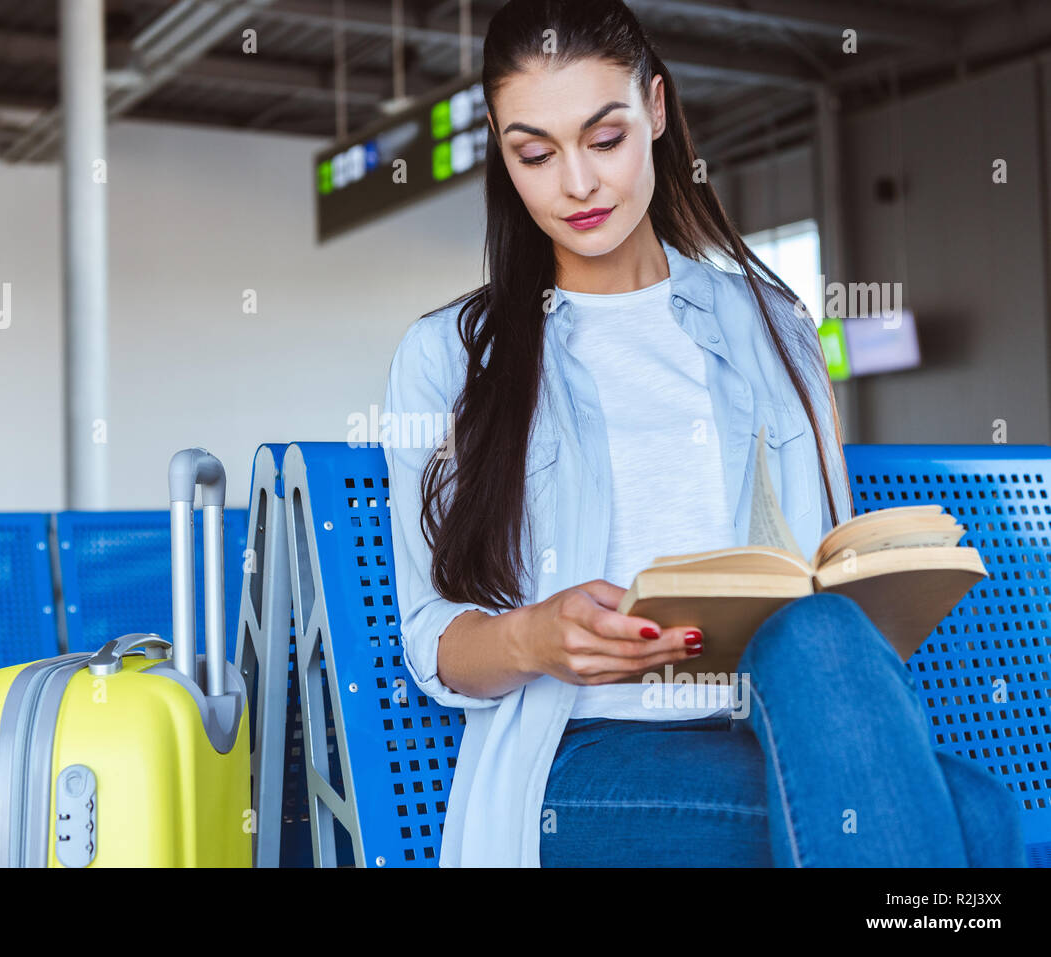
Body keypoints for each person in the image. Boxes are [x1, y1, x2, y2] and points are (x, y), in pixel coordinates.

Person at [381, 0, 1027, 867]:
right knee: (974, 821)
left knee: (829, 644)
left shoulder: (775, 326)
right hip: (580, 758)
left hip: (770, 719)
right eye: (534, 153)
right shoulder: (451, 355)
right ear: (503, 152)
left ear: (655, 109)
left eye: (604, 139)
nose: (575, 183)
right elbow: (434, 641)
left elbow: (819, 571)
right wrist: (537, 637)